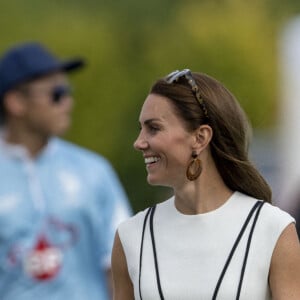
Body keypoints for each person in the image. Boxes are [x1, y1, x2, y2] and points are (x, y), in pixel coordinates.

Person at [112, 69, 300, 299]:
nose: (139, 142)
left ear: (200, 138)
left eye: (154, 128)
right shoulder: (131, 236)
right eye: (141, 128)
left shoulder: (273, 229)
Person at [0, 42, 131, 300]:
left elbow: (119, 266)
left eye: (68, 91)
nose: (68, 102)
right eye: (56, 93)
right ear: (16, 102)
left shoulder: (95, 171)